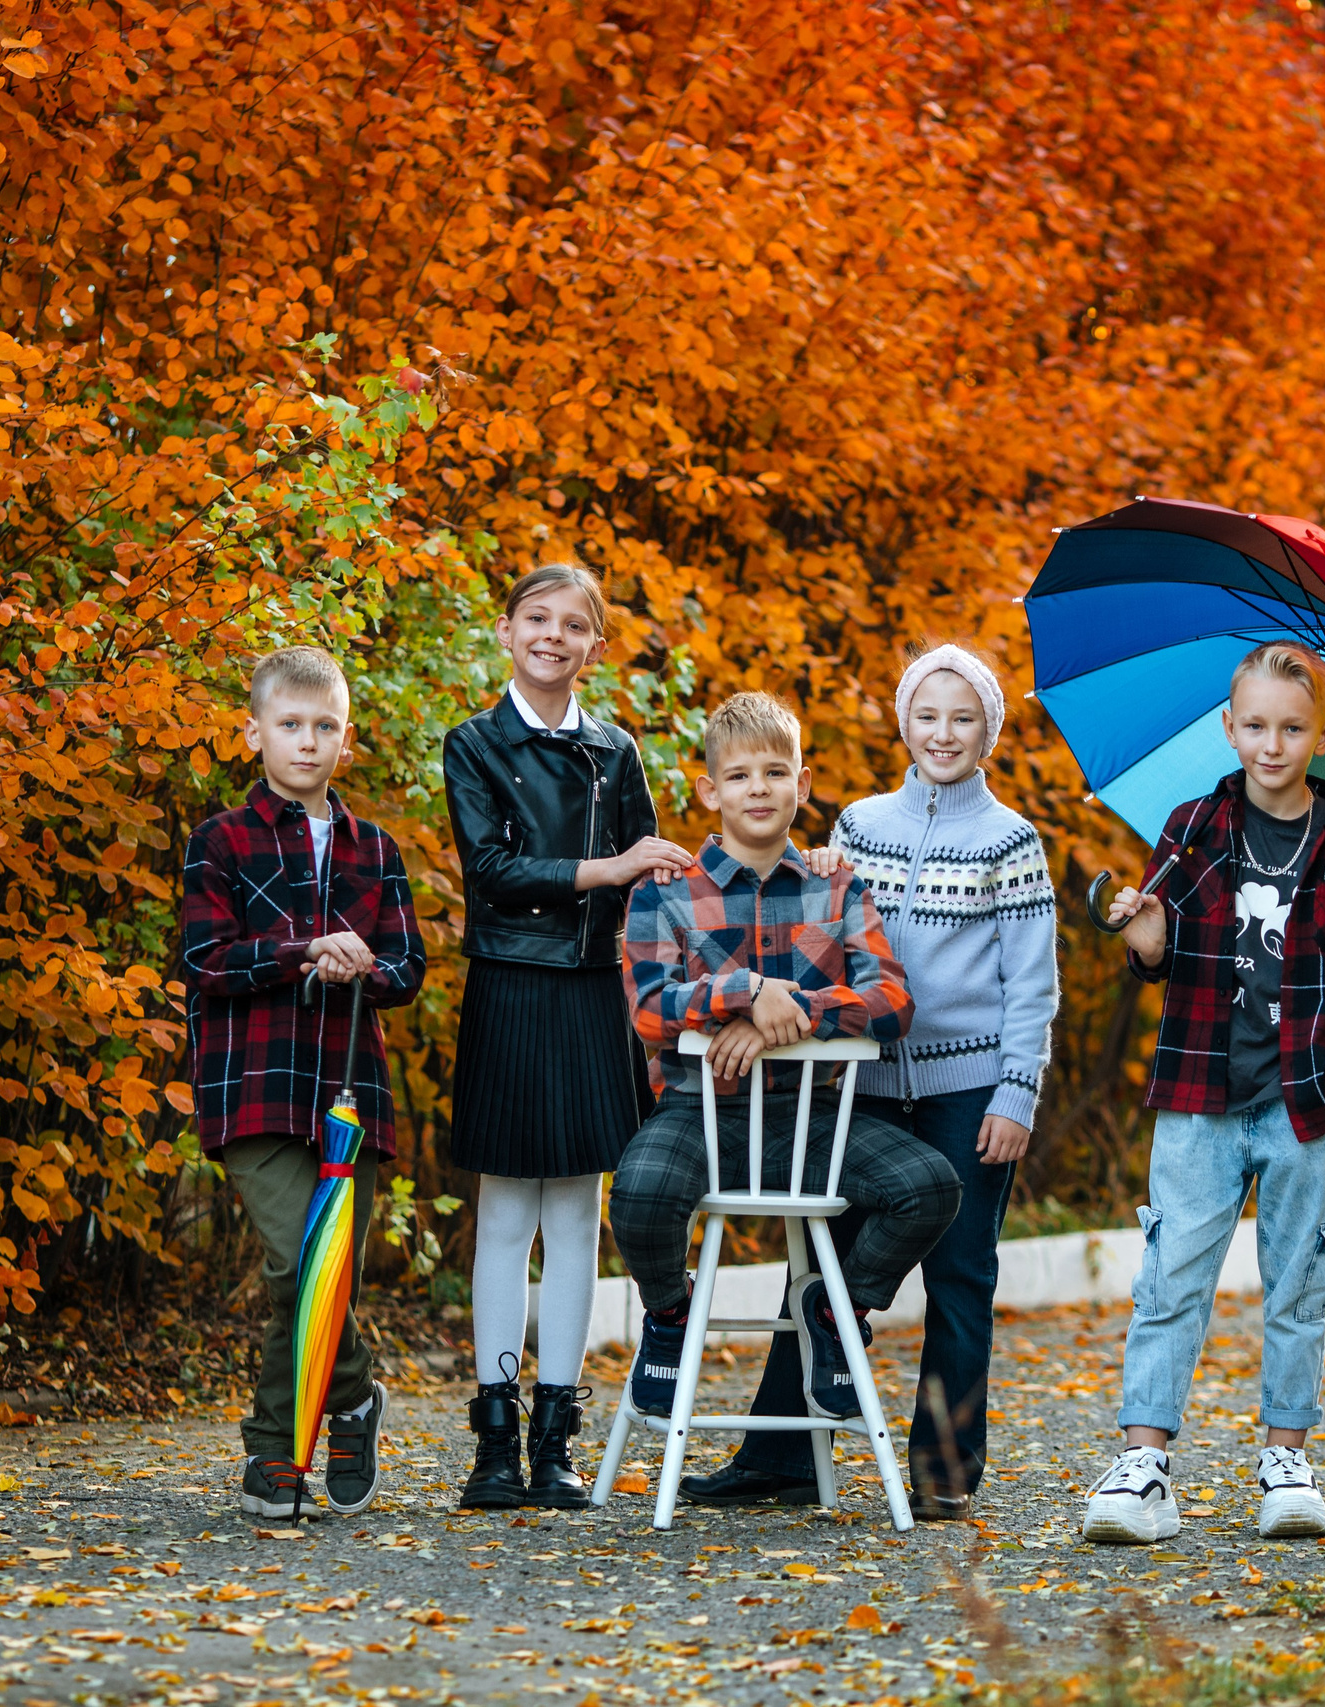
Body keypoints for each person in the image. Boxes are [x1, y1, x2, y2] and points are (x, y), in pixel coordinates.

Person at [684, 645, 1058, 1520]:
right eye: (928, 715)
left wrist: (1017, 1093)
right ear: (904, 723)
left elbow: (1032, 984)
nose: (943, 733)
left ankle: (944, 1468)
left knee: (961, 1273)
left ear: (988, 733)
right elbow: (817, 943)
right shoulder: (857, 825)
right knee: (818, 1259)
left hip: (969, 1088)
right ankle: (780, 1453)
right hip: (862, 1080)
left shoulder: (1011, 840)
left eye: (963, 718)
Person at [1084, 640, 1325, 1544]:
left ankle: (1285, 1460)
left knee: (1300, 1282)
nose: (1272, 744)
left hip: (1305, 1104)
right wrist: (1146, 936)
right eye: (1256, 725)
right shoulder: (1191, 829)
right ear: (1229, 727)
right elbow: (1156, 956)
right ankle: (1144, 1465)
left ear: (1323, 736)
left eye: (1292, 728)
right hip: (1200, 1089)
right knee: (1171, 1274)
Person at [611, 691, 962, 1441]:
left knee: (930, 1185)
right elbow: (648, 1009)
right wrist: (745, 991)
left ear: (802, 785)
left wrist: (785, 1014)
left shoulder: (837, 886)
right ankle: (669, 1314)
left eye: (776, 772)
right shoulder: (666, 891)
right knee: (638, 1193)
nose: (759, 789)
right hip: (697, 1114)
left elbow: (894, 1003)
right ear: (710, 791)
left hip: (812, 1120)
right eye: (739, 776)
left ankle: (836, 1311)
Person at [440, 564, 695, 1509]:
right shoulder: (472, 743)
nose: (553, 635)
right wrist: (608, 867)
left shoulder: (616, 750)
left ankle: (555, 1442)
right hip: (510, 982)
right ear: (507, 631)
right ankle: (494, 1447)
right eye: (537, 618)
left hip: (593, 990)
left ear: (595, 645)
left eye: (574, 624)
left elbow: (650, 880)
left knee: (577, 1221)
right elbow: (493, 870)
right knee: (506, 1217)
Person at [181, 644, 427, 1522]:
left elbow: (407, 968)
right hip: (253, 1082)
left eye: (325, 726)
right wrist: (301, 952)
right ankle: (340, 1406)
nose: (307, 741)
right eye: (290, 724)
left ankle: (282, 1455)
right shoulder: (220, 840)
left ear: (345, 740)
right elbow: (204, 961)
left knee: (331, 1276)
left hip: (349, 1089)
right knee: (298, 1263)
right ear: (255, 732)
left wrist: (363, 965)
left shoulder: (375, 848)